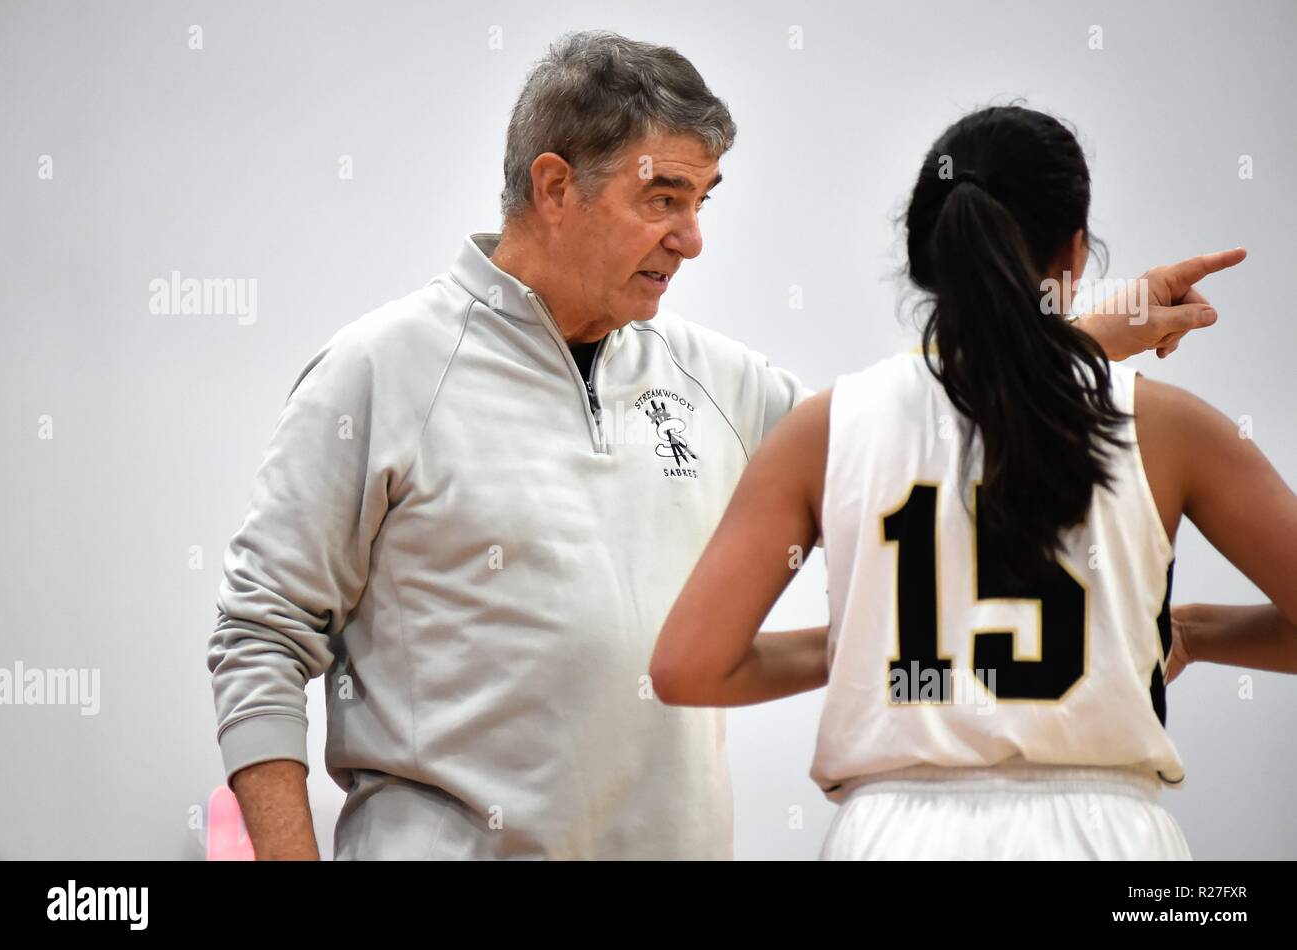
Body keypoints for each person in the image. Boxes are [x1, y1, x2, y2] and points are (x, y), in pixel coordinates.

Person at [208, 30, 1236, 861]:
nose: (692, 236)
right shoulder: (379, 370)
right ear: (555, 185)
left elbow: (921, 424)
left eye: (703, 202)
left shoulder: (719, 378)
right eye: (663, 199)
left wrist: (1086, 334)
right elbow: (260, 636)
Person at [650, 105, 1296, 860]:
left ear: (925, 254)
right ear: (1076, 253)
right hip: (1106, 836)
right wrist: (1198, 632)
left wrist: (882, 642)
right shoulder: (1175, 427)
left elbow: (687, 667)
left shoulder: (824, 429)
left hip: (890, 836)